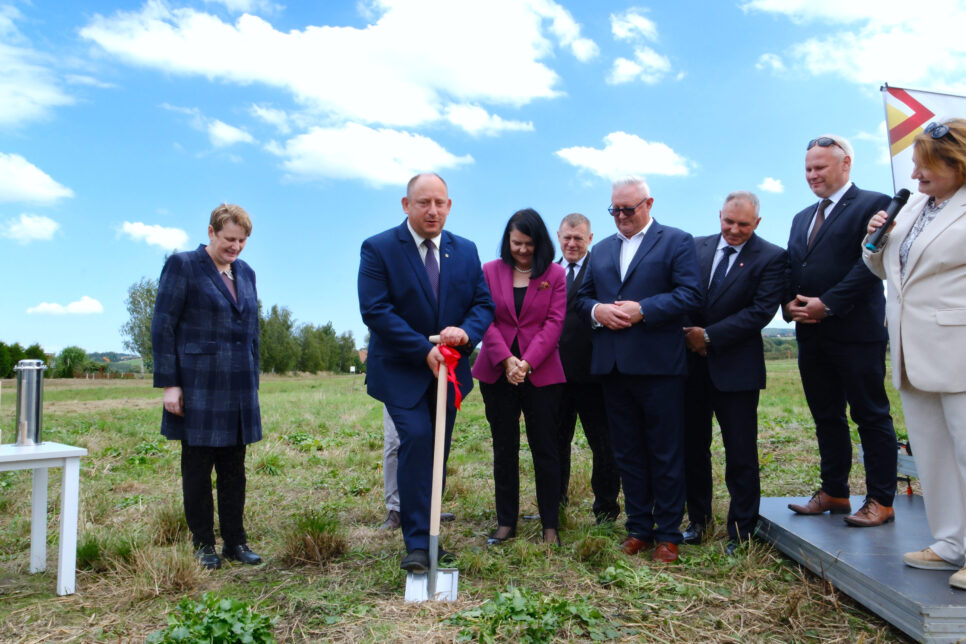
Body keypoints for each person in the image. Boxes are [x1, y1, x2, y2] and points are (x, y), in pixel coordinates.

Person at [358, 173, 493, 573]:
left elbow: (483, 304)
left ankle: (432, 532)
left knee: (438, 449)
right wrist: (423, 349)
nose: (432, 211)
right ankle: (416, 544)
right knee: (416, 438)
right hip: (401, 371)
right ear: (406, 205)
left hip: (449, 375)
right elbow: (376, 310)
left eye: (440, 203)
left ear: (449, 206)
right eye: (423, 203)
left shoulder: (465, 251)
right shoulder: (379, 248)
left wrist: (466, 332)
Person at [576, 177, 702, 563]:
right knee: (627, 452)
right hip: (614, 368)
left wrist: (642, 309)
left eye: (628, 209)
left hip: (659, 367)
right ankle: (638, 530)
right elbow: (581, 298)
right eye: (614, 210)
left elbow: (690, 294)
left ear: (648, 203)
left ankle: (668, 533)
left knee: (664, 451)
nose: (620, 217)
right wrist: (597, 311)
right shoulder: (600, 250)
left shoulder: (677, 241)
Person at [863, 119, 966, 587]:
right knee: (934, 452)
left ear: (957, 164)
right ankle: (951, 543)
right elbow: (887, 267)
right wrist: (874, 241)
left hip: (958, 345)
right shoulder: (915, 205)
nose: (915, 176)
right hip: (911, 347)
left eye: (925, 167)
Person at [783, 134, 898, 527]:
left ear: (846, 164)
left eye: (820, 167)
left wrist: (827, 305)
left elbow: (869, 267)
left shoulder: (875, 204)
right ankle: (834, 491)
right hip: (811, 336)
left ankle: (881, 500)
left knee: (870, 415)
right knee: (826, 416)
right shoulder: (802, 217)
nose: (812, 175)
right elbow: (794, 269)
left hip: (855, 332)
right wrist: (788, 303)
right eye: (808, 169)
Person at [151, 203, 263, 569]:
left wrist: (254, 381)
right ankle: (203, 544)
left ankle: (235, 542)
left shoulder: (246, 272)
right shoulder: (183, 265)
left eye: (242, 241)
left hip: (238, 390)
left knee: (235, 470)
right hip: (197, 387)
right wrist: (170, 384)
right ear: (211, 232)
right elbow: (163, 325)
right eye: (229, 239)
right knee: (197, 472)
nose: (235, 247)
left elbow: (252, 333)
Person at [682, 191, 787, 553]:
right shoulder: (695, 247)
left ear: (757, 223)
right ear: (719, 215)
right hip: (690, 370)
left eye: (743, 224)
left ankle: (742, 532)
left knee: (740, 453)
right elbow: (681, 293)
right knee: (692, 449)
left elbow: (760, 312)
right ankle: (698, 521)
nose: (734, 230)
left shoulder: (772, 257)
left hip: (736, 371)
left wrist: (708, 336)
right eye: (729, 222)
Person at [472, 209, 567, 546]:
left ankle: (550, 524)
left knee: (546, 448)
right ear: (507, 241)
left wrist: (525, 363)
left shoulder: (554, 275)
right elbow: (486, 318)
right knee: (504, 447)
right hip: (497, 372)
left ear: (539, 242)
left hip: (542, 373)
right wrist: (508, 359)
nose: (523, 250)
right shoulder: (488, 271)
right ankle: (505, 522)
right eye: (516, 243)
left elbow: (554, 323)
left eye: (529, 244)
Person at [555, 213, 621, 524]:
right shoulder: (548, 273)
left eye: (578, 238)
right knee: (554, 444)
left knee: (604, 446)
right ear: (558, 236)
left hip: (596, 375)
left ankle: (606, 509)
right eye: (567, 237)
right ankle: (554, 505)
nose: (571, 243)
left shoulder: (605, 271)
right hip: (554, 376)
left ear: (590, 239)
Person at [377, 406, 454, 531]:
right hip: (397, 389)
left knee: (433, 438)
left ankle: (428, 509)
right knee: (395, 441)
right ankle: (395, 510)